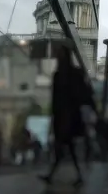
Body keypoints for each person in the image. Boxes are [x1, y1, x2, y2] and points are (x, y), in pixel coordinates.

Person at [39, 46, 96, 186]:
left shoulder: (71, 74)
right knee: (66, 147)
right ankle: (71, 176)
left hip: (69, 116)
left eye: (60, 55)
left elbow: (83, 94)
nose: (58, 57)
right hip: (62, 116)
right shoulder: (60, 74)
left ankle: (53, 175)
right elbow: (55, 99)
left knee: (63, 147)